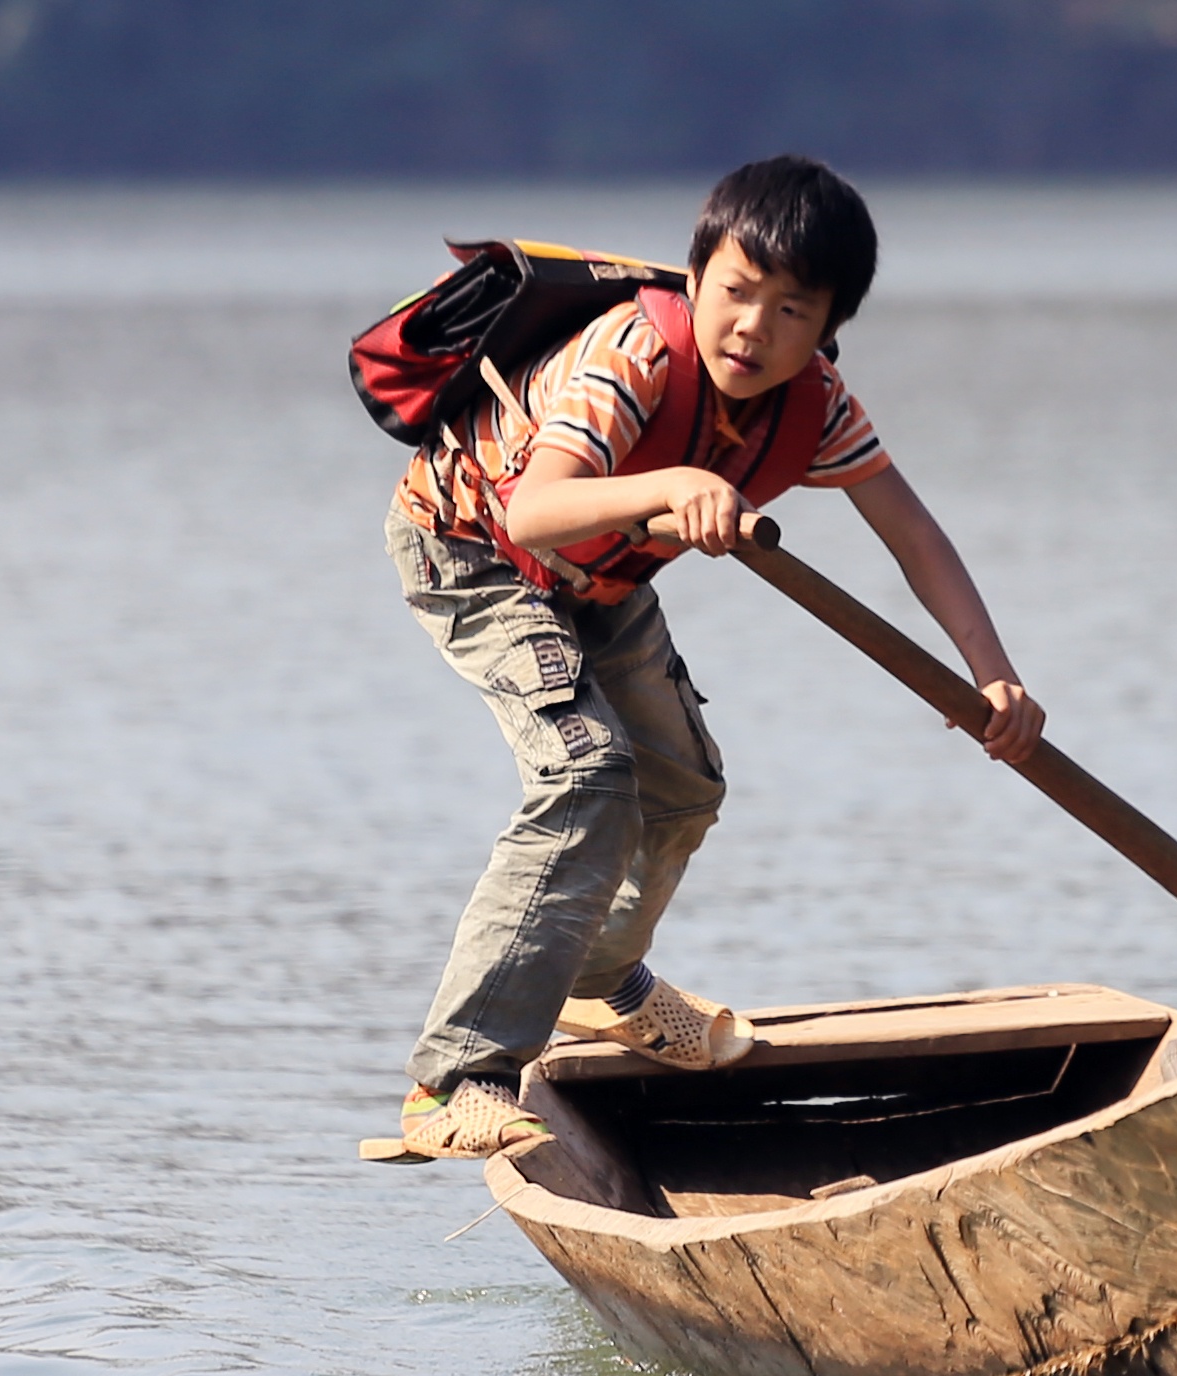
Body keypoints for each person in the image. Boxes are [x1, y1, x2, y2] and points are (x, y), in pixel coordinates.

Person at [374, 155, 1043, 1161]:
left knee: (684, 788)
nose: (752, 328)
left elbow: (913, 533)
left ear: (828, 330)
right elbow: (535, 507)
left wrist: (994, 673)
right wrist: (672, 482)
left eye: (790, 310)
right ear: (695, 280)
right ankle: (456, 1077)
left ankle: (599, 979)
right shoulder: (634, 356)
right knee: (587, 774)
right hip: (477, 552)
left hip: (600, 583)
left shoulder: (815, 406)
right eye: (735, 292)